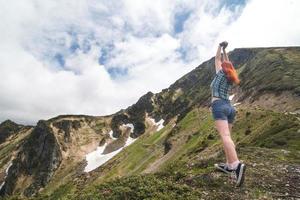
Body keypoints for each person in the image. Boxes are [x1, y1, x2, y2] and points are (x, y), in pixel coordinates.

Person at [210, 41, 246, 187]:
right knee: (228, 137)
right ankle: (229, 164)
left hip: (219, 106)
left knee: (225, 137)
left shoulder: (219, 74)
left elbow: (217, 59)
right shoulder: (231, 76)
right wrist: (226, 51)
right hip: (230, 108)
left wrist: (220, 46)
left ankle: (236, 165)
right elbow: (226, 61)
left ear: (223, 68)